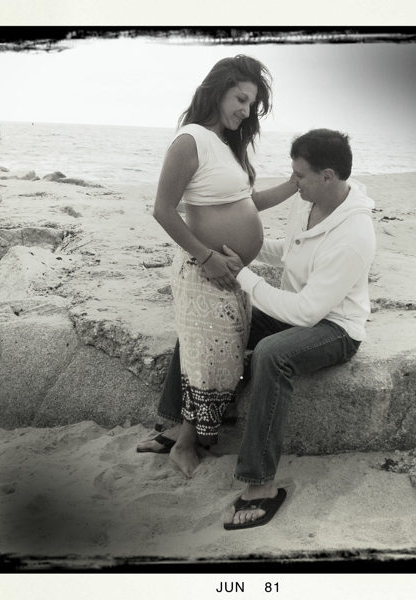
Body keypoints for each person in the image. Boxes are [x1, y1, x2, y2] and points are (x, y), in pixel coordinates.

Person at [136, 55, 297, 478]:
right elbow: (163, 210)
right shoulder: (190, 140)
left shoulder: (225, 146)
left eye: (251, 104)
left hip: (229, 273)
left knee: (219, 358)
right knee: (212, 362)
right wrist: (207, 258)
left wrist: (294, 185)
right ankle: (184, 445)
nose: (246, 110)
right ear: (218, 90)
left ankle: (181, 434)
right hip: (203, 269)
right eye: (240, 99)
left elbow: (247, 203)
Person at [219, 128, 377, 529]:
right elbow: (289, 251)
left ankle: (260, 484)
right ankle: (177, 426)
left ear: (327, 176)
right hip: (296, 310)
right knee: (219, 314)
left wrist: (245, 278)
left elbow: (307, 313)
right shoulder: (309, 200)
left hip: (335, 327)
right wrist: (244, 250)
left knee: (271, 354)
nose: (294, 182)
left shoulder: (353, 235)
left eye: (300, 175)